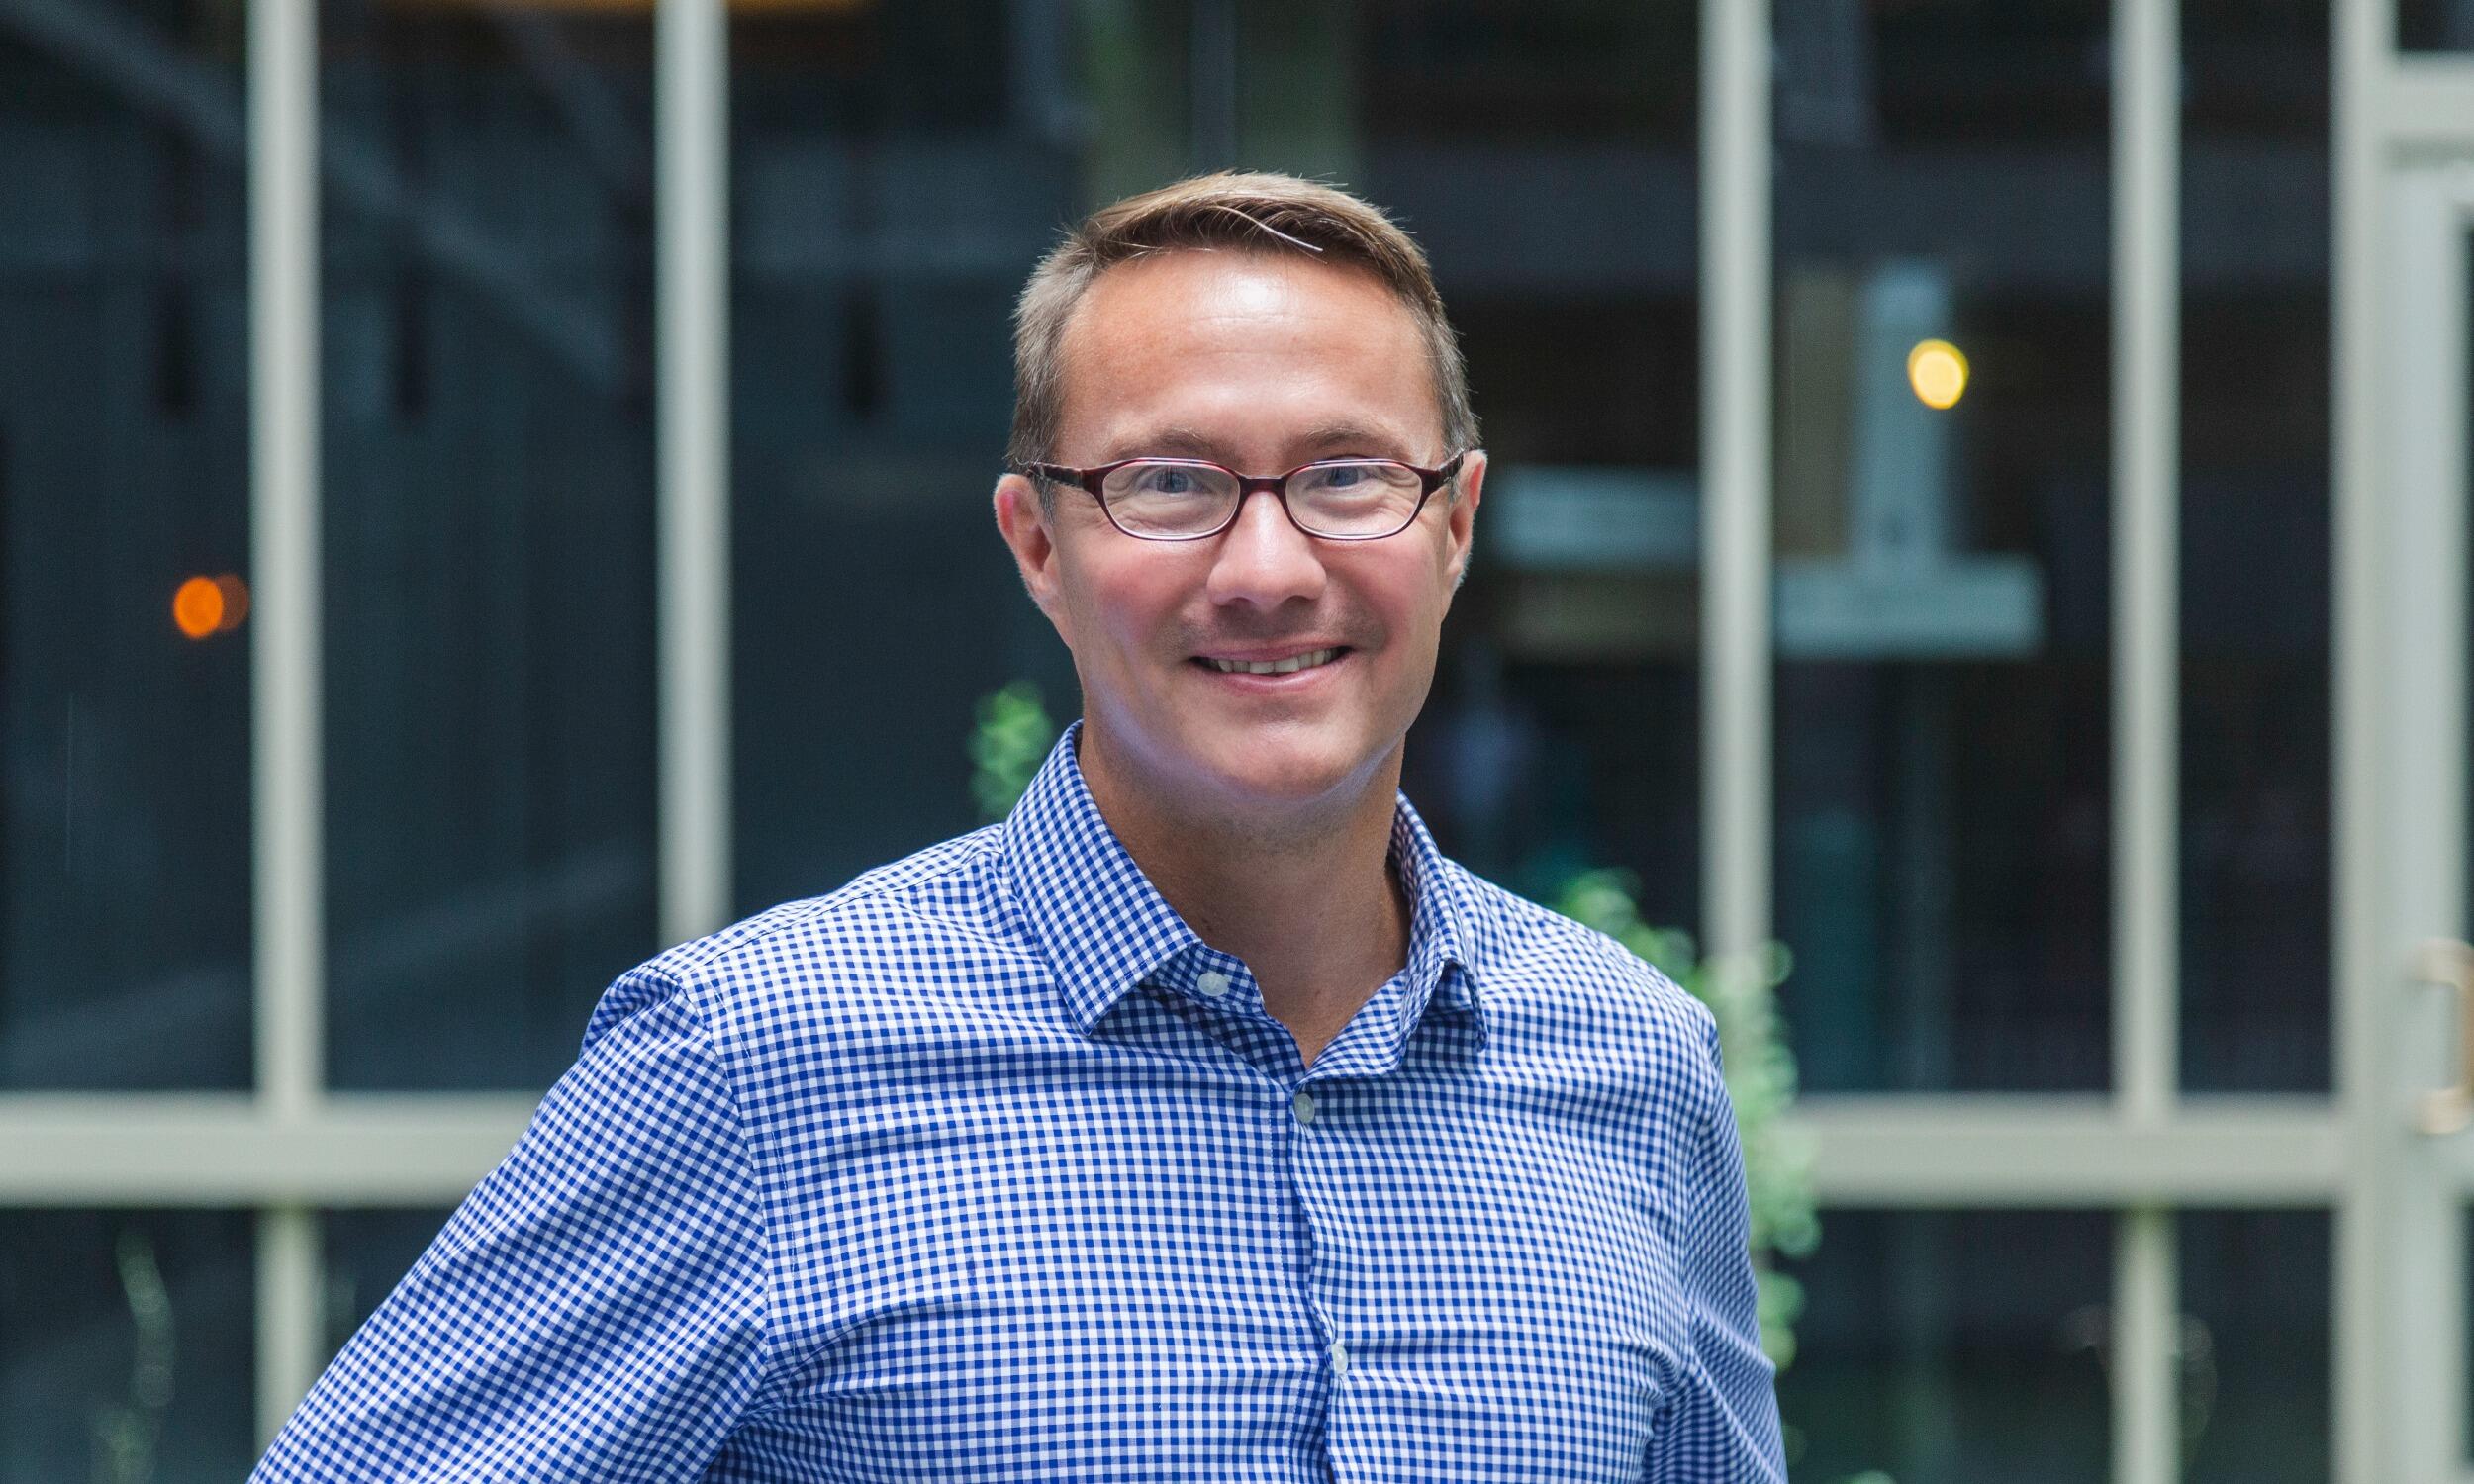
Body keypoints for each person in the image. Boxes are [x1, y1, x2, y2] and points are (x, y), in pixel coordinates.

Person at [253, 171, 1787, 1482]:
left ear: (1452, 529)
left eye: (1345, 477)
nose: (1267, 566)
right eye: (1170, 483)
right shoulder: (752, 1067)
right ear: (1037, 544)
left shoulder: (1634, 1070)